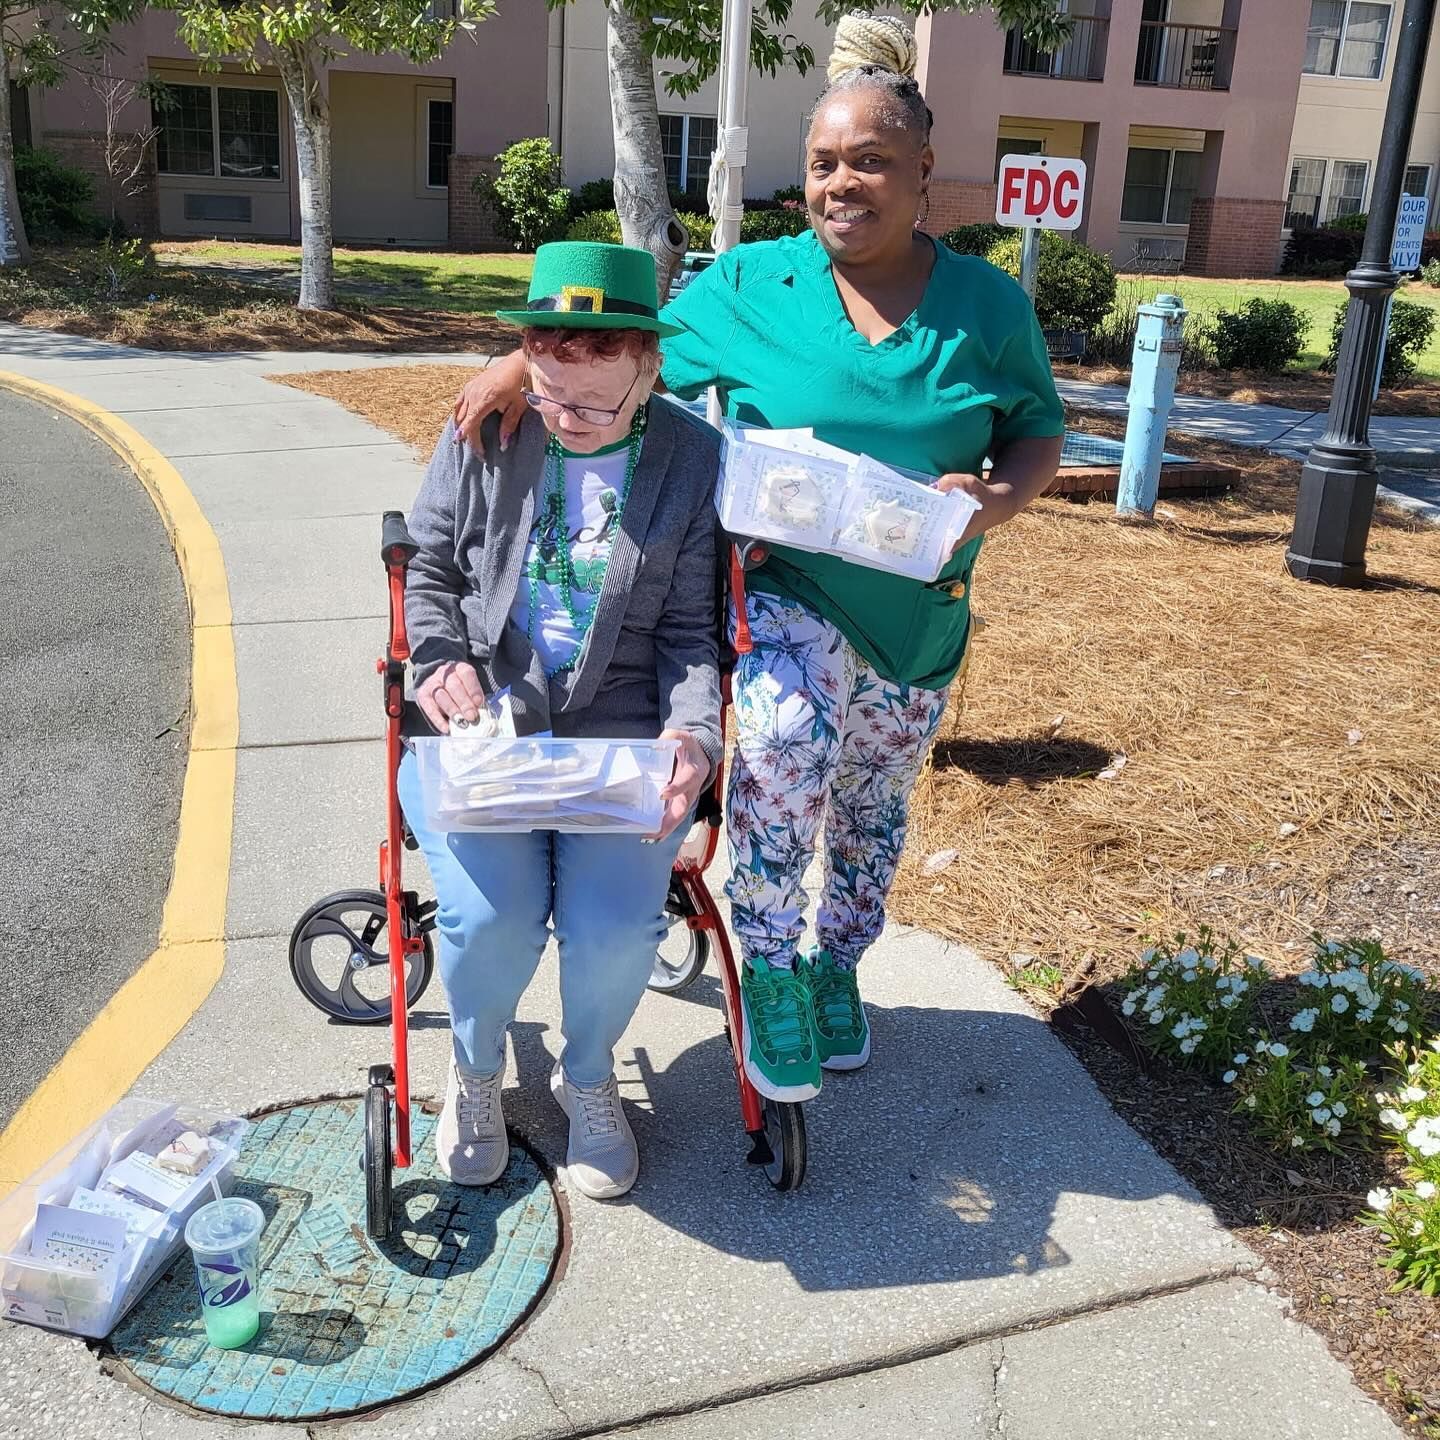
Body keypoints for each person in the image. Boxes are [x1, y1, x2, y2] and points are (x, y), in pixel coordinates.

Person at [453, 14, 1063, 1110]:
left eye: (871, 161)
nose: (842, 183)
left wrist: (1000, 498)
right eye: (824, 163)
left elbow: (1034, 429)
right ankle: (773, 963)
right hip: (781, 588)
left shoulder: (988, 308)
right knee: (781, 749)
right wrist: (519, 358)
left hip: (917, 607)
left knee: (874, 802)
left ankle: (838, 962)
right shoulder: (750, 285)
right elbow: (628, 340)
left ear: (925, 171)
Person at [404, 240, 721, 1200]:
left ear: (650, 368)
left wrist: (693, 736)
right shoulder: (491, 427)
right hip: (483, 732)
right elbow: (429, 568)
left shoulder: (691, 459)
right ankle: (473, 1073)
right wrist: (440, 657)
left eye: (594, 402)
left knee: (618, 930)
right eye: (548, 393)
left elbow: (691, 630)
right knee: (491, 919)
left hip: (617, 743)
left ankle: (589, 1079)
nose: (566, 420)